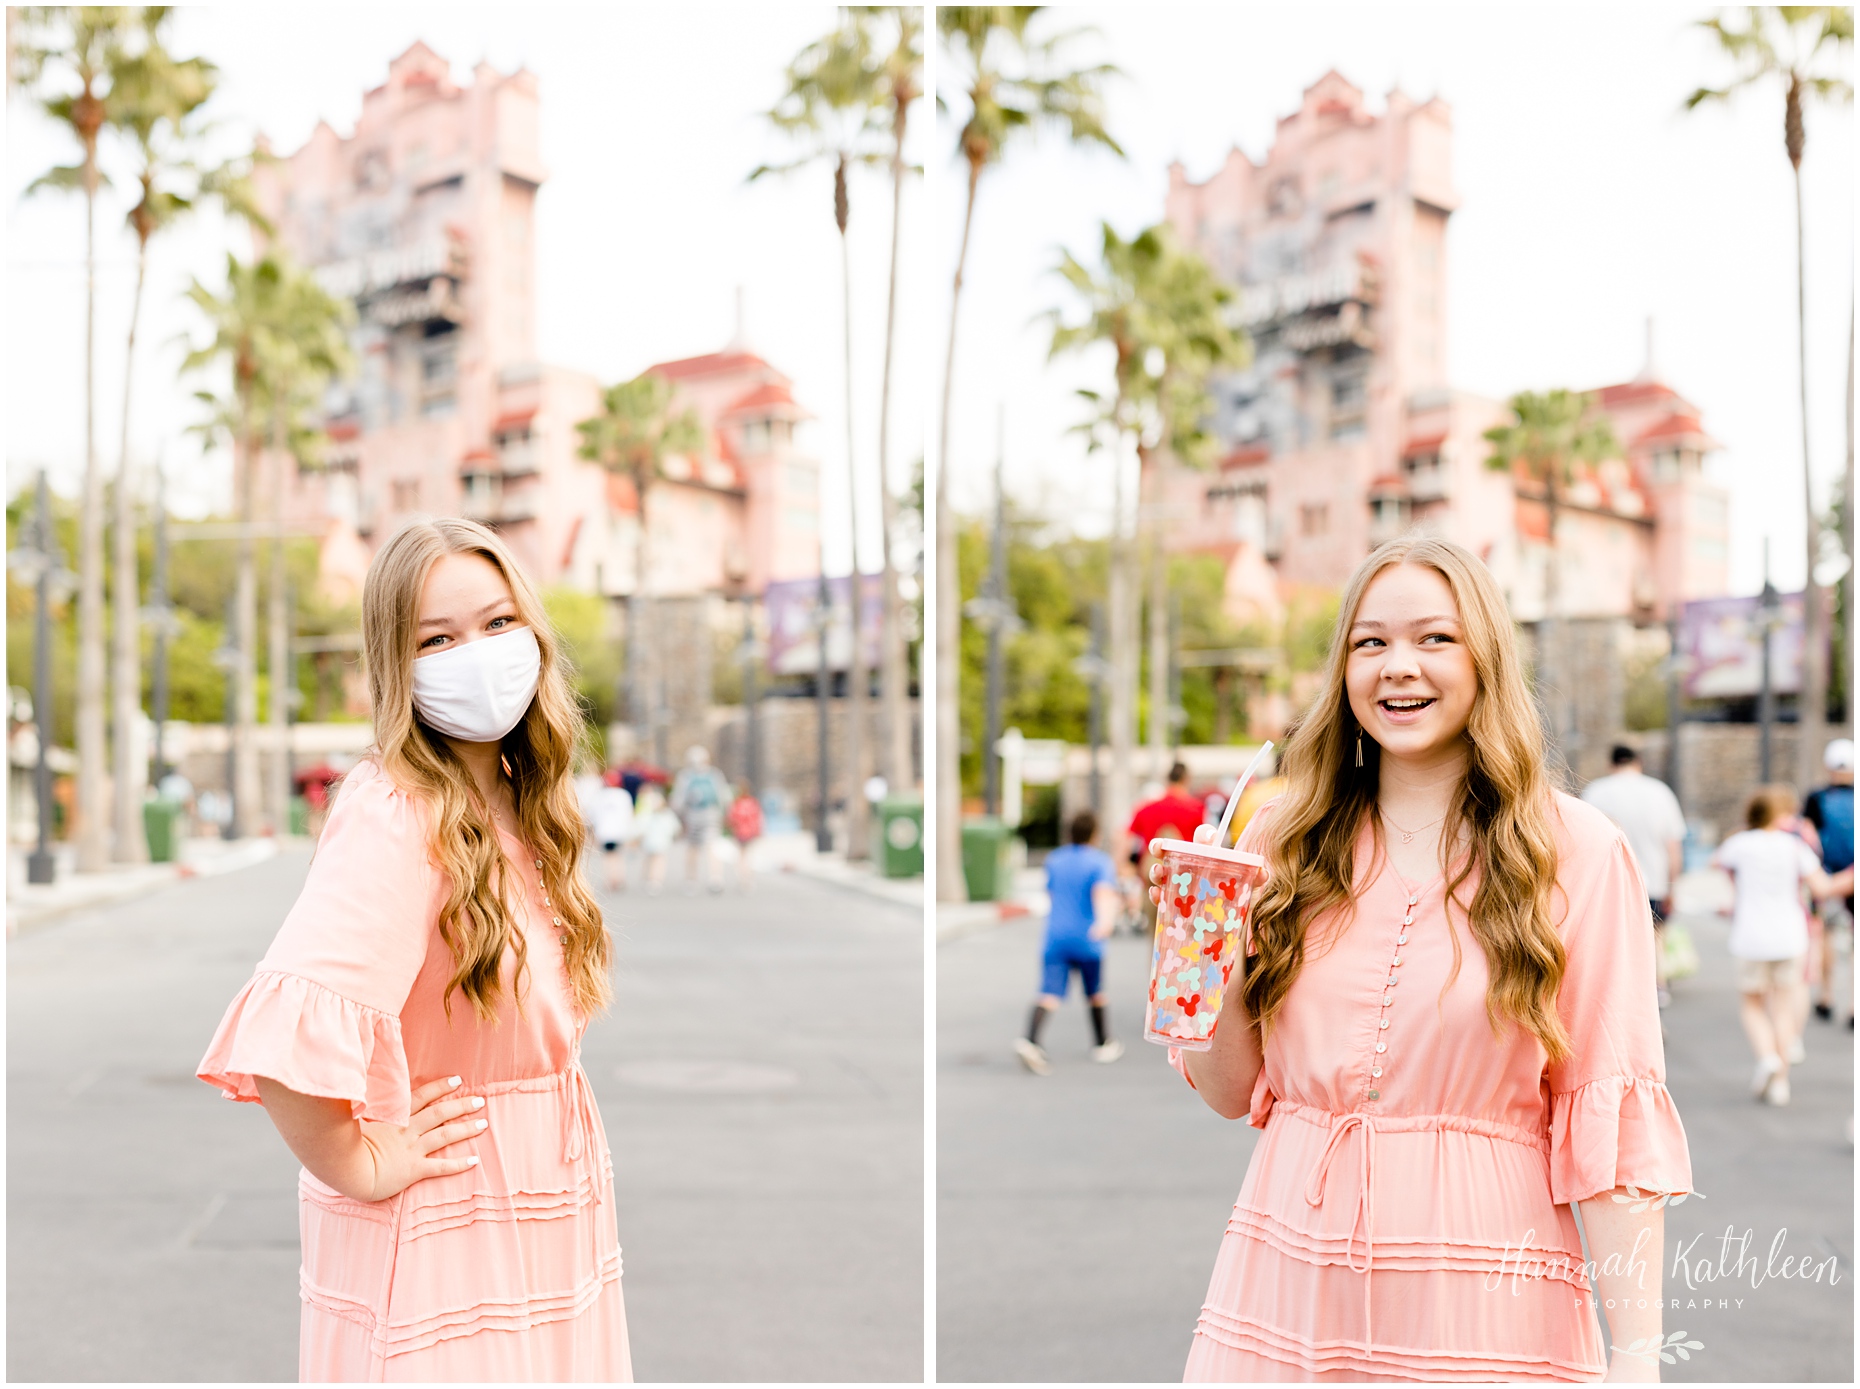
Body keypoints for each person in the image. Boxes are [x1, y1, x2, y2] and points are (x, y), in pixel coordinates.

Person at [1149, 534, 1692, 1383]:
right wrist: (1198, 950)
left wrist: (1640, 1358)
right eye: (1371, 642)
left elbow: (1609, 1116)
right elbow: (1227, 1092)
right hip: (1287, 1279)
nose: (1398, 666)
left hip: (1485, 1290)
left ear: (1486, 658)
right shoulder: (1279, 839)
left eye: (1434, 638)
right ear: (1343, 670)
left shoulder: (1577, 850)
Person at [196, 517, 631, 1381]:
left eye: (499, 622)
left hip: (542, 1221)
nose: (478, 651)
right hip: (453, 1228)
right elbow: (287, 1029)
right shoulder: (397, 809)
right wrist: (355, 1159)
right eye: (438, 637)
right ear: (399, 665)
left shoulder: (519, 799)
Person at [1711, 785, 1840, 1105]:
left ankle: (1767, 1056)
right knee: (1783, 1007)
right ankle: (1781, 1080)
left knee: (1753, 1004)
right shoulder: (1794, 847)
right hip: (1790, 937)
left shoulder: (1739, 844)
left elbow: (1716, 863)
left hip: (1750, 937)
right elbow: (1822, 886)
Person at [1017, 809, 1124, 1074]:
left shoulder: (1055, 859)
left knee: (1049, 993)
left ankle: (1030, 1040)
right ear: (1094, 834)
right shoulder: (1100, 862)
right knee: (1095, 993)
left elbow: (1051, 893)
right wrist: (1105, 924)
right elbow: (1103, 894)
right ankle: (1102, 1044)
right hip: (1088, 939)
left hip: (1056, 937)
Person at [1581, 744, 1686, 1009]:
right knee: (1654, 940)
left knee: (1615, 945)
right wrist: (1673, 887)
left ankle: (1622, 1001)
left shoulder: (1595, 791)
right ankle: (1656, 992)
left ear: (1611, 764)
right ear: (1639, 762)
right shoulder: (1660, 792)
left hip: (1609, 885)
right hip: (1654, 883)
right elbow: (1673, 848)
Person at [1802, 738, 1855, 1025]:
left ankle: (1826, 996)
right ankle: (1853, 1006)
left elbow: (1807, 836)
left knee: (1826, 936)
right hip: (1854, 873)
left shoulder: (1816, 797)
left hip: (1827, 875)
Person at [1126, 763, 1205, 935]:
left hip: (1153, 878)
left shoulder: (1146, 808)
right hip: (1187, 882)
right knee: (1183, 935)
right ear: (1186, 779)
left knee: (1156, 936)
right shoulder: (1196, 809)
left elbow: (1128, 840)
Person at [670, 745, 730, 894]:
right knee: (712, 846)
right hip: (712, 815)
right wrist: (724, 814)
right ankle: (716, 878)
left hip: (692, 816)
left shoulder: (686, 776)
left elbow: (678, 800)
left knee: (692, 848)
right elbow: (723, 796)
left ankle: (691, 880)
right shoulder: (714, 774)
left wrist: (679, 817)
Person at [591, 770, 636, 893]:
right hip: (620, 830)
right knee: (618, 855)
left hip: (604, 831)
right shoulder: (623, 795)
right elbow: (629, 814)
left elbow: (594, 815)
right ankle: (619, 878)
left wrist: (593, 833)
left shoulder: (600, 795)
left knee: (608, 856)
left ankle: (610, 878)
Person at [635, 783, 679, 896]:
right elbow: (675, 828)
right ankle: (652, 879)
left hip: (656, 842)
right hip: (655, 842)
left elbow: (639, 828)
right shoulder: (662, 815)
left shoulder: (652, 815)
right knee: (655, 860)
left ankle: (652, 879)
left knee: (654, 860)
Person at [726, 782, 764, 892]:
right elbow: (758, 819)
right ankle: (748, 879)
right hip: (750, 833)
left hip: (739, 834)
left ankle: (742, 878)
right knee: (749, 856)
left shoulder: (736, 804)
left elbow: (731, 819)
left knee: (741, 857)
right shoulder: (753, 803)